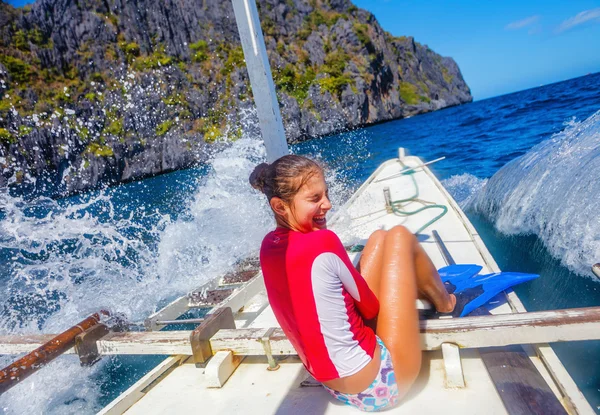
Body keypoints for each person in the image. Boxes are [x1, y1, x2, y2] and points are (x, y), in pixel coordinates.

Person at [250, 154, 456, 412]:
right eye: (315, 199)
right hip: (380, 384)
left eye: (326, 194)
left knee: (380, 238)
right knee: (400, 236)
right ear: (280, 206)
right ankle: (446, 302)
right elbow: (370, 309)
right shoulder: (323, 241)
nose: (328, 204)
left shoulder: (268, 245)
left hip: (330, 384)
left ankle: (422, 287)